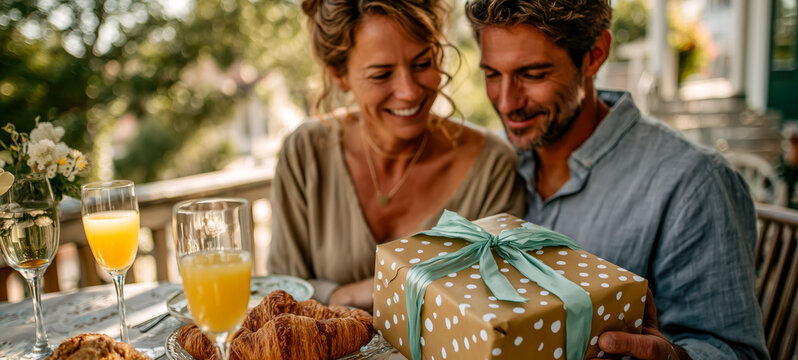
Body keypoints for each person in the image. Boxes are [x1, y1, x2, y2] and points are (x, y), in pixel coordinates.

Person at [464, 0, 768, 359]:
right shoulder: (500, 166)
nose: (506, 102)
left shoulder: (693, 182)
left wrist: (672, 357)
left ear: (595, 55)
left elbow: (736, 352)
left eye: (533, 74)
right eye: (492, 74)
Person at [267, 0, 526, 310]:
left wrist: (341, 294)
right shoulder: (305, 153)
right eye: (381, 75)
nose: (409, 92)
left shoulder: (492, 167)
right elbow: (281, 294)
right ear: (340, 75)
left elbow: (491, 303)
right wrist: (350, 294)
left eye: (421, 64)